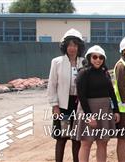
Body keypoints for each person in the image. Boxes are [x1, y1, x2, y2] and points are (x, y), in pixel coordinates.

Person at [75, 45, 120, 162]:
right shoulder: (83, 73)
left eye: (101, 57)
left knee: (103, 143)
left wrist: (116, 111)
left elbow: (112, 93)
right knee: (86, 143)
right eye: (95, 57)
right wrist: (89, 116)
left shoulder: (105, 73)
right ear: (89, 58)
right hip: (88, 111)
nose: (98, 60)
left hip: (105, 111)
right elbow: (81, 96)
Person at [47, 28, 85, 162]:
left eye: (75, 45)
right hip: (63, 105)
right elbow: (52, 85)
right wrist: (55, 106)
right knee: (61, 138)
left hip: (79, 105)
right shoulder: (56, 62)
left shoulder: (84, 62)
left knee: (76, 138)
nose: (72, 48)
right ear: (65, 46)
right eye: (69, 45)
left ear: (79, 46)